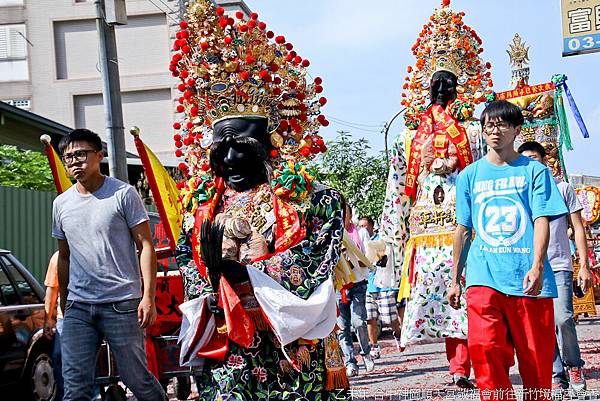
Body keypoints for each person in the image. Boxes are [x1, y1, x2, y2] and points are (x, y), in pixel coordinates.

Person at [172, 2, 350, 399]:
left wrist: (249, 273)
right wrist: (212, 281)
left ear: (270, 146)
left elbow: (318, 254)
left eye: (243, 152)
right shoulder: (201, 207)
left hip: (290, 335)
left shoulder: (313, 199)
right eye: (223, 153)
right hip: (229, 329)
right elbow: (188, 257)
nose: (232, 162)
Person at [381, 0, 493, 388]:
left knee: (473, 293)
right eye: (436, 83)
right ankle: (458, 365)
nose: (442, 90)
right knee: (446, 301)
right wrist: (395, 229)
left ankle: (480, 362)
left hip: (468, 226)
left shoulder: (475, 133)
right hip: (428, 232)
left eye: (449, 82)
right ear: (424, 89)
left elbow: (484, 175)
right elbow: (397, 184)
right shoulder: (409, 137)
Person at [449, 100, 568, 400]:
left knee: (536, 365)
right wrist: (454, 278)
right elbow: (463, 229)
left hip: (528, 280)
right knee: (484, 350)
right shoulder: (469, 176)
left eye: (502, 124)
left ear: (517, 129)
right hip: (483, 276)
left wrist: (538, 265)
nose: (494, 130)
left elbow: (542, 219)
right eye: (488, 125)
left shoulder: (535, 173)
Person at [52, 128, 166, 401]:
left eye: (81, 154)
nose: (74, 162)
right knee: (75, 386)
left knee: (136, 379)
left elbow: (146, 246)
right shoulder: (61, 204)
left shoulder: (123, 194)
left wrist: (147, 297)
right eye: (68, 157)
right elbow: (64, 256)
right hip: (78, 307)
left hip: (121, 303)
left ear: (98, 155)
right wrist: (65, 302)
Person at [518, 141, 594, 393]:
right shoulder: (518, 192)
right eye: (525, 159)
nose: (530, 163)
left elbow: (579, 228)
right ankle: (555, 374)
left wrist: (584, 265)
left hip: (559, 264)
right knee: (542, 325)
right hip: (530, 268)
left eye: (534, 158)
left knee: (563, 319)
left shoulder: (562, 189)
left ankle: (574, 365)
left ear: (545, 161)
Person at [336, 206, 374, 377]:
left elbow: (369, 257)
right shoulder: (331, 235)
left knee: (358, 322)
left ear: (350, 215)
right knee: (342, 327)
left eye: (345, 213)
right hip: (339, 287)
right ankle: (350, 361)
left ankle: (366, 353)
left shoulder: (360, 233)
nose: (342, 216)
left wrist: (353, 261)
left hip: (358, 284)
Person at [358, 216, 402, 358]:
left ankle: (398, 334)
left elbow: (385, 260)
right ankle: (374, 346)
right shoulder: (359, 243)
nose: (363, 229)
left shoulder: (380, 240)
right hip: (368, 286)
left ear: (372, 227)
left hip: (384, 286)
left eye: (365, 226)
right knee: (370, 318)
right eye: (361, 226)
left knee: (389, 318)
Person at [43, 252, 63, 401]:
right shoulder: (58, 257)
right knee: (59, 357)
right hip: (65, 318)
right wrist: (48, 319)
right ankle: (62, 394)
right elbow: (52, 288)